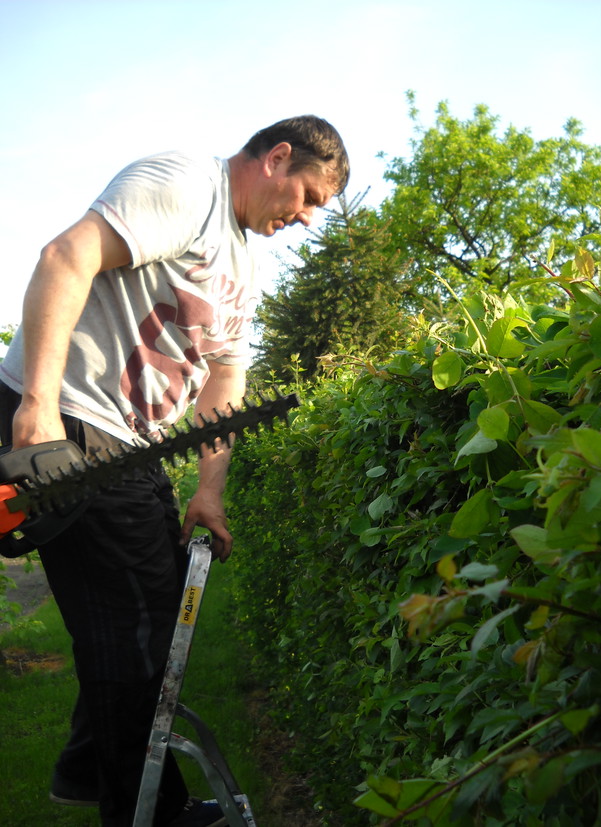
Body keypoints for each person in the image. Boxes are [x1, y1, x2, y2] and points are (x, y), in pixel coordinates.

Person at [0, 115, 349, 826]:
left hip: (130, 445)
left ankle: (90, 768)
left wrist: (208, 491)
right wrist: (37, 407)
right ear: (278, 157)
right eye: (309, 196)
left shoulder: (244, 264)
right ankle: (147, 808)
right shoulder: (189, 185)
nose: (308, 218)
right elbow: (65, 257)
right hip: (72, 420)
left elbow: (225, 380)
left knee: (154, 615)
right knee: (138, 626)